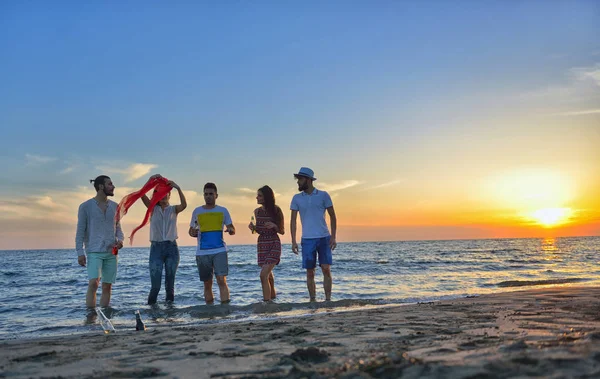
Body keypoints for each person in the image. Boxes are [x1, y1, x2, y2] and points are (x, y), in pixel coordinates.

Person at [76, 175, 124, 308]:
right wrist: (80, 252)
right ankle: (91, 316)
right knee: (93, 283)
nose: (113, 186)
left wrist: (120, 241)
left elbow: (118, 228)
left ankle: (104, 315)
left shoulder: (115, 207)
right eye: (110, 184)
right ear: (101, 186)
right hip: (93, 251)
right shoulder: (85, 207)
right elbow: (80, 231)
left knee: (107, 286)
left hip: (111, 252)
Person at [290, 167, 337, 302]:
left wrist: (333, 236)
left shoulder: (323, 195)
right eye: (298, 179)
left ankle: (328, 300)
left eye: (300, 179)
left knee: (326, 268)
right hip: (307, 239)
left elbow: (333, 216)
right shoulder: (296, 198)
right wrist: (293, 241)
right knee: (310, 272)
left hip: (324, 237)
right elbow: (293, 220)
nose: (298, 182)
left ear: (309, 180)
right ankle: (313, 300)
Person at [141, 174, 187, 305]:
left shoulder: (173, 209)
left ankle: (170, 314)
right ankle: (151, 313)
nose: (163, 197)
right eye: (159, 194)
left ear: (169, 195)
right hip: (156, 248)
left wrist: (178, 188)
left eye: (165, 194)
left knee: (170, 285)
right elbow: (141, 194)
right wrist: (150, 181)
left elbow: (184, 205)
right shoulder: (152, 208)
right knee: (155, 286)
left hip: (172, 248)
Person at [188, 183, 235, 304]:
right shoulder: (197, 211)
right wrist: (192, 232)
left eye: (211, 194)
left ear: (216, 195)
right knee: (207, 283)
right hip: (202, 251)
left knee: (221, 280)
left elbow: (232, 228)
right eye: (206, 194)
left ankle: (225, 310)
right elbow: (191, 230)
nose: (208, 196)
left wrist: (230, 230)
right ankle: (210, 312)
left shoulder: (223, 210)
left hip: (219, 250)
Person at [248, 185, 285, 302]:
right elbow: (256, 231)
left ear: (266, 197)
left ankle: (267, 303)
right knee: (268, 275)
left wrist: (274, 226)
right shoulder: (256, 212)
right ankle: (273, 299)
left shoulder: (276, 210)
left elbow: (282, 231)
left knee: (263, 275)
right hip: (262, 244)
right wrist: (252, 228)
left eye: (259, 195)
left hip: (274, 243)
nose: (256, 198)